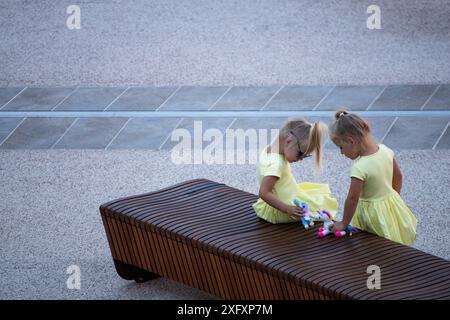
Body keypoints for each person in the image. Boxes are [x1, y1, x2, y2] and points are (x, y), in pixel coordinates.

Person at [329, 109, 417, 245]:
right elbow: (398, 176)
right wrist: (393, 197)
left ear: (351, 141)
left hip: (374, 215)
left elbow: (353, 198)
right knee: (393, 240)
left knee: (375, 246)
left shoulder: (359, 167)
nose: (341, 153)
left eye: (341, 147)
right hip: (391, 204)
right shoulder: (385, 150)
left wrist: (344, 223)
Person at [252, 118, 338, 224]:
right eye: (300, 153)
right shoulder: (276, 164)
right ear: (288, 141)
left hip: (286, 196)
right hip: (282, 210)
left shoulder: (270, 150)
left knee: (318, 198)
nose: (301, 158)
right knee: (321, 207)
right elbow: (264, 193)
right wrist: (287, 209)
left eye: (305, 156)